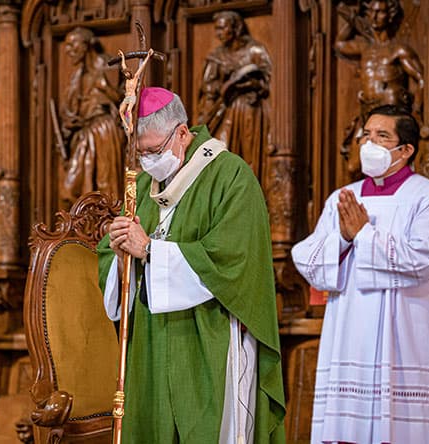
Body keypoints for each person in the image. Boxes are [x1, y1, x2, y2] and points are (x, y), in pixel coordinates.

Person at [97, 87, 285, 443]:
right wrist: (121, 250)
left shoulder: (230, 176)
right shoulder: (143, 187)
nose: (148, 161)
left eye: (154, 150)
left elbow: (232, 258)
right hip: (152, 342)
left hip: (208, 336)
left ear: (182, 133)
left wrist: (150, 252)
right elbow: (113, 256)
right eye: (142, 154)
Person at [291, 105, 429, 443]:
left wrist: (364, 234)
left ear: (406, 150)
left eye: (382, 136)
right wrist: (344, 237)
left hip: (406, 332)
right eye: (366, 134)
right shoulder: (342, 198)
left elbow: (422, 259)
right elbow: (308, 258)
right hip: (350, 331)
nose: (369, 142)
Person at [334, 0, 425, 179]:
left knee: (392, 166)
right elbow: (340, 44)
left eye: (380, 12)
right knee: (354, 166)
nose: (374, 17)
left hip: (391, 116)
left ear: (389, 16)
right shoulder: (364, 49)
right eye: (371, 13)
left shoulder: (398, 50)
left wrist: (417, 112)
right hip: (367, 114)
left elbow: (421, 79)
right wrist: (353, 19)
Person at [197, 10, 272, 177]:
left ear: (236, 28)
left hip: (249, 109)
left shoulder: (255, 51)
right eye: (217, 29)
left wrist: (253, 84)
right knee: (220, 151)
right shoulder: (216, 56)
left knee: (248, 153)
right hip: (224, 109)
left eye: (222, 28)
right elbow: (207, 86)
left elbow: (269, 80)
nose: (219, 34)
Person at [59, 27, 125, 207]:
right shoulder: (77, 77)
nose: (68, 50)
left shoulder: (108, 65)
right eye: (66, 45)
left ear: (87, 45)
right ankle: (87, 229)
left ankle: (105, 228)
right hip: (84, 133)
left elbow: (127, 100)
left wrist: (105, 88)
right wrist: (70, 121)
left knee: (105, 187)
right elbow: (70, 107)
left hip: (104, 129)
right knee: (71, 188)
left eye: (73, 44)